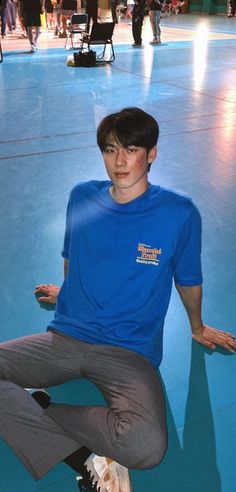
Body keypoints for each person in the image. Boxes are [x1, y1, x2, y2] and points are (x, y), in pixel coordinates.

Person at [0, 107, 235, 492]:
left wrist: (198, 327)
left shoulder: (178, 213)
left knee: (146, 446)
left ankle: (39, 409)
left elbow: (188, 280)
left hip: (128, 351)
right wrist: (68, 294)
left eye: (131, 148)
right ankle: (80, 455)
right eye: (110, 150)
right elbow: (72, 256)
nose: (120, 161)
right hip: (68, 336)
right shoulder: (81, 197)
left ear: (152, 154)